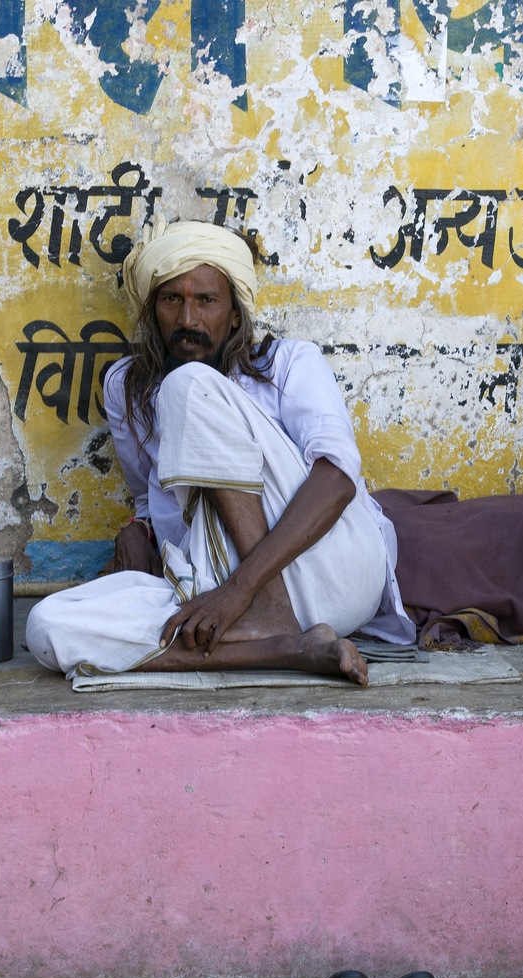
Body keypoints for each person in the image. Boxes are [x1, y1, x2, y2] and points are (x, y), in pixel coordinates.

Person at [25, 220, 415, 683]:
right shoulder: (126, 389)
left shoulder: (290, 363)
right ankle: (288, 649)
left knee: (187, 384)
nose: (188, 320)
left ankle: (270, 611)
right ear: (153, 312)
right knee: (48, 628)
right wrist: (137, 530)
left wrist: (243, 588)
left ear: (235, 314)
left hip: (329, 572)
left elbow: (337, 481)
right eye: (173, 300)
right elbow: (153, 502)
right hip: (212, 584)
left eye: (206, 301)